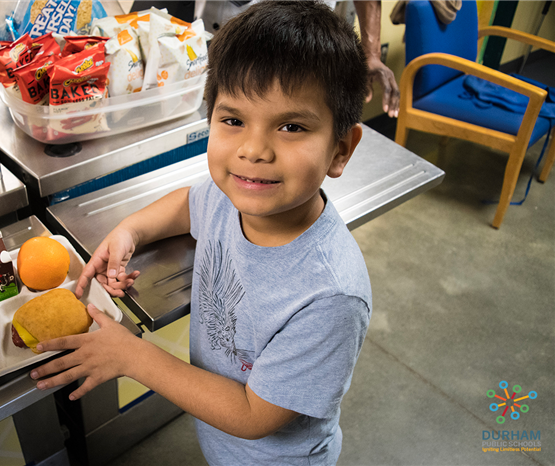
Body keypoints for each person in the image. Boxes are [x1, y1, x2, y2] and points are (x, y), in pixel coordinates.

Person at [29, 0, 372, 464]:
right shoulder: (228, 194)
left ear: (340, 149)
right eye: (233, 120)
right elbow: (190, 205)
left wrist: (133, 357)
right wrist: (131, 230)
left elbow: (254, 416)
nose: (253, 150)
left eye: (291, 126)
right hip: (220, 440)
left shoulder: (330, 295)